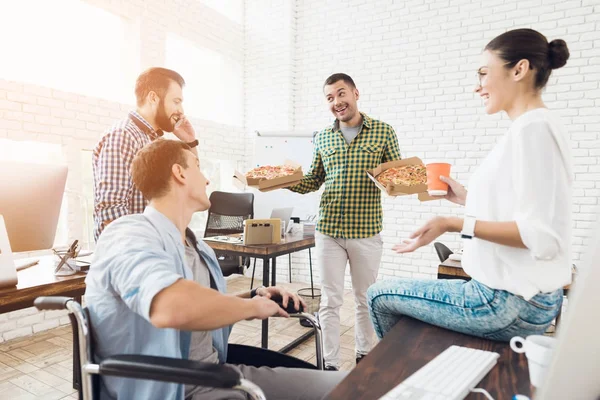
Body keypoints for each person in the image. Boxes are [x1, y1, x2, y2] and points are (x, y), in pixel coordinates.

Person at [85, 139, 347, 399]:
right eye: (198, 167)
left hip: (220, 373)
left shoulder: (197, 246)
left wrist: (254, 296)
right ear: (179, 173)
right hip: (174, 389)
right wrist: (251, 309)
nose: (207, 181)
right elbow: (172, 306)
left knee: (349, 386)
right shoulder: (128, 233)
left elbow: (198, 308)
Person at [367, 28, 572, 342]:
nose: (478, 87)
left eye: (483, 74)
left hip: (507, 301)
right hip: (523, 296)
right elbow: (523, 207)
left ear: (519, 69)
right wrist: (468, 198)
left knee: (379, 295)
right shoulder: (535, 126)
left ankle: (408, 384)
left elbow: (540, 235)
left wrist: (453, 223)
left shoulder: (533, 130)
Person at [289, 73, 402, 370]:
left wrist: (395, 184)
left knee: (364, 299)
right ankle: (329, 364)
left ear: (355, 93)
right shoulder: (323, 137)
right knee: (330, 300)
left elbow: (395, 175)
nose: (337, 102)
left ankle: (364, 357)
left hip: (365, 231)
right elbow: (313, 179)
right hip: (328, 231)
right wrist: (282, 181)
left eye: (341, 94)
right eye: (330, 98)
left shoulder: (383, 131)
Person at [92, 67, 198, 241]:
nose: (181, 110)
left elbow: (191, 184)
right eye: (176, 101)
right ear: (153, 98)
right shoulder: (123, 135)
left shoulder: (152, 141)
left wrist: (190, 142)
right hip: (133, 256)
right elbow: (111, 212)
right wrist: (143, 254)